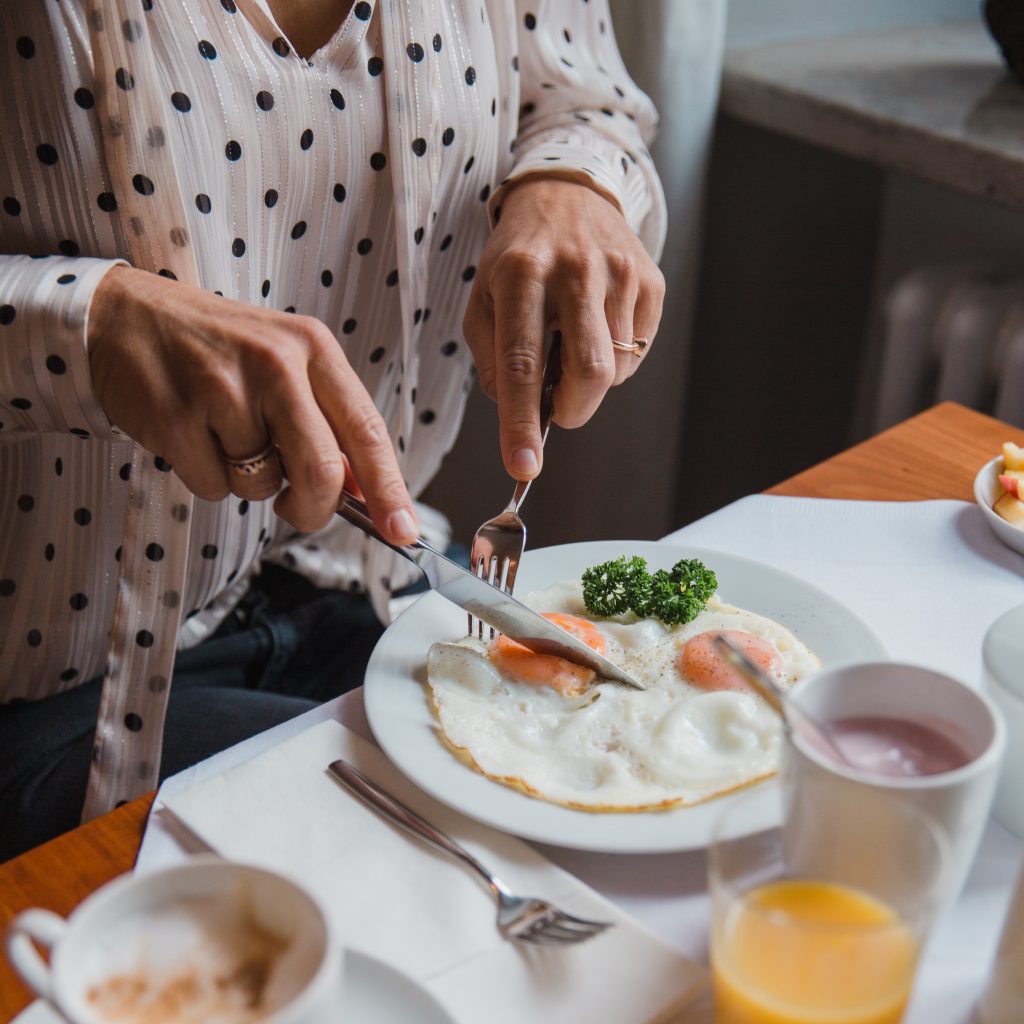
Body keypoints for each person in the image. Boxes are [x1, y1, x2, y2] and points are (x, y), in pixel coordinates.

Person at [0, 0, 666, 859]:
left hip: (372, 585)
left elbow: (586, 99)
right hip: (55, 688)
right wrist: (86, 328)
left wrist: (576, 184)